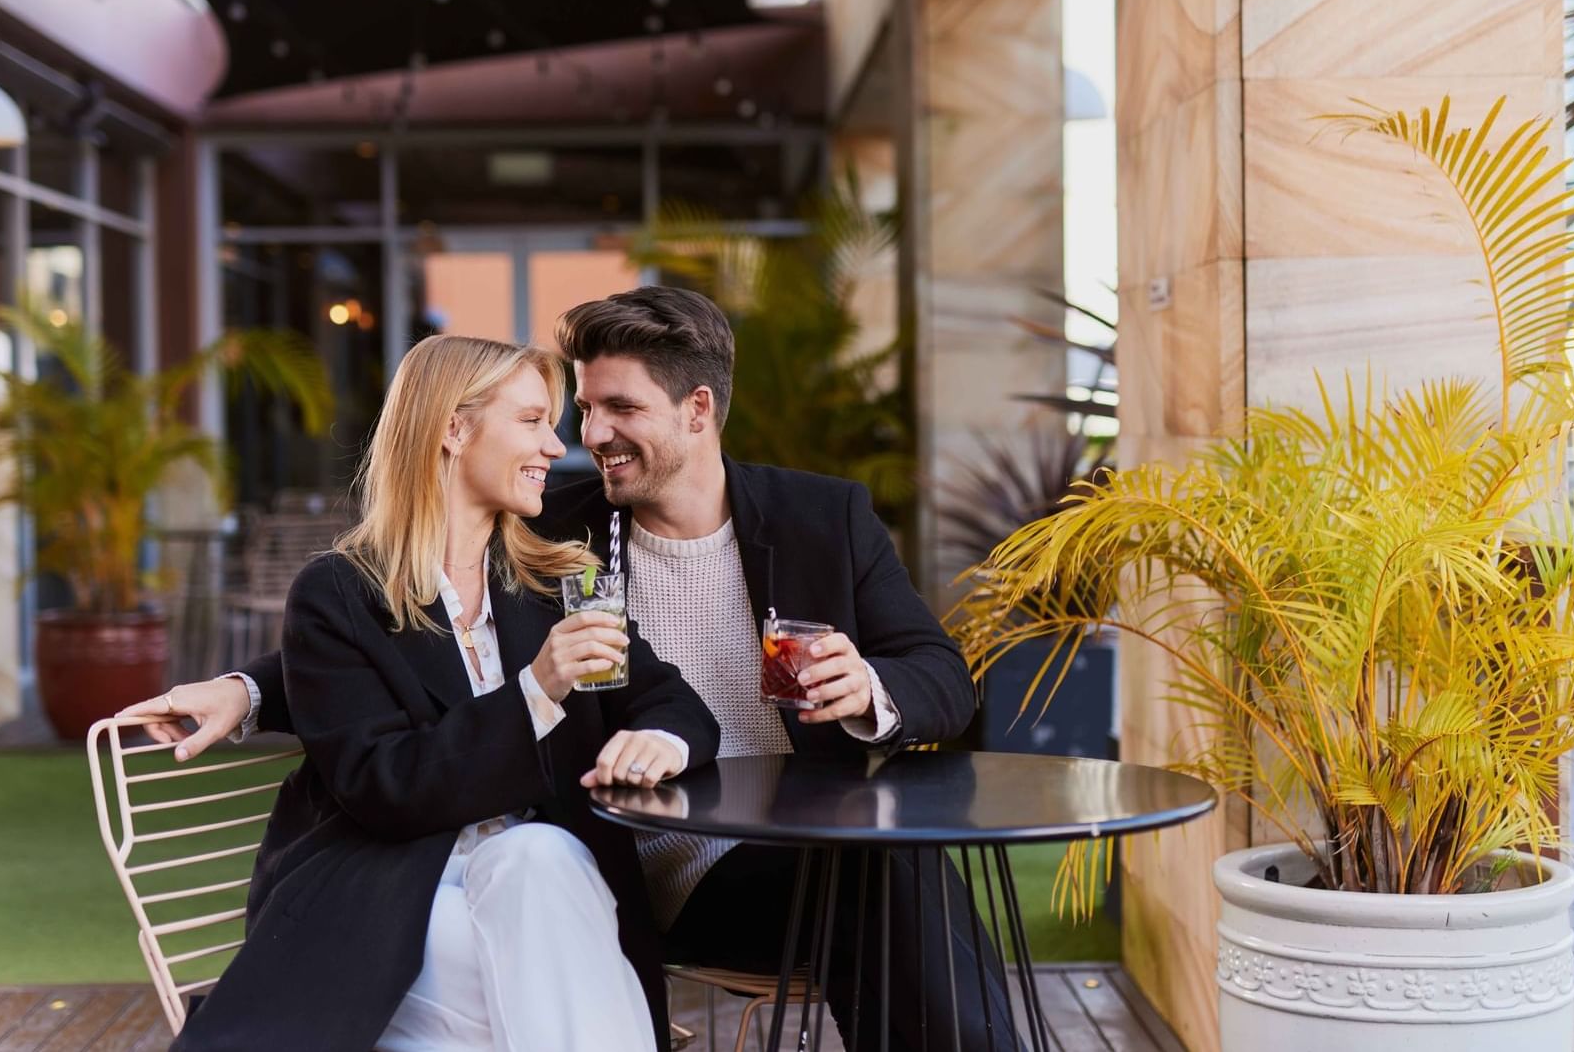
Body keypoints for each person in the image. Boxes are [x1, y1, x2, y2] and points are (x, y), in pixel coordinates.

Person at [133, 288, 1018, 1050]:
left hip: (769, 853)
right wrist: (249, 688)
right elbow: (396, 631)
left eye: (616, 410)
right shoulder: (551, 527)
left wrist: (868, 689)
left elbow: (938, 672)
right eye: (573, 411)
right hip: (615, 848)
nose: (584, 437)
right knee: (541, 866)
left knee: (887, 864)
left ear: (699, 409)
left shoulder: (822, 517)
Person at [168, 335, 718, 1052]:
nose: (555, 447)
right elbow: (389, 788)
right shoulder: (339, 596)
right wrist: (537, 690)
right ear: (454, 429)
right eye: (530, 420)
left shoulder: (558, 585)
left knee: (537, 858)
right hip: (390, 901)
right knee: (535, 944)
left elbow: (674, 705)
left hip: (541, 892)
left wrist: (660, 737)